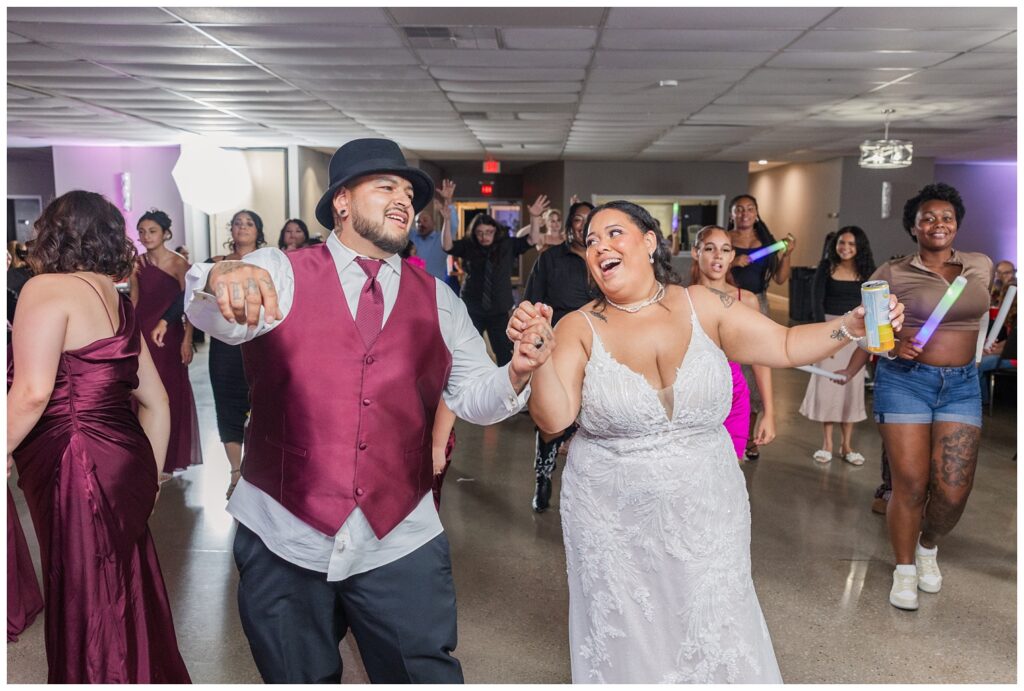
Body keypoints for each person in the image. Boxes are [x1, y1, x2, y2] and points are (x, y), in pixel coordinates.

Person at [184, 138, 550, 684]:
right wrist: (215, 277)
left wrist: (517, 369)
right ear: (342, 203)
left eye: (409, 193)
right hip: (284, 529)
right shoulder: (278, 269)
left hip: (400, 531)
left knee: (423, 674)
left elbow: (475, 393)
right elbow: (216, 312)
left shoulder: (439, 298)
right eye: (387, 187)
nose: (404, 200)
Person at [508, 200, 904, 683]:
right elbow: (554, 421)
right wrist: (538, 359)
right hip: (613, 521)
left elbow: (782, 345)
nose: (599, 246)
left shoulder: (702, 304)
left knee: (714, 625)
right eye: (591, 241)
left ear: (651, 241)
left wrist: (851, 328)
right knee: (635, 635)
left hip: (709, 511)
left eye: (614, 233)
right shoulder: (577, 327)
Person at [6, 190, 190, 682]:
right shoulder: (118, 299)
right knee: (123, 585)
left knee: (84, 590)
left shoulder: (44, 290)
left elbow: (30, 393)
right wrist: (148, 480)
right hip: (124, 456)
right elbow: (157, 402)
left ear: (53, 233)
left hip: (74, 459)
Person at [836, 183, 991, 612]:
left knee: (954, 491)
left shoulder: (979, 265)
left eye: (946, 217)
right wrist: (892, 345)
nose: (937, 224)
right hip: (905, 381)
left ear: (957, 223)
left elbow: (984, 317)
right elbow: (872, 330)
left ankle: (928, 544)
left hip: (961, 385)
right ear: (913, 226)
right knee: (910, 484)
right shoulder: (891, 272)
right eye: (927, 217)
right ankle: (905, 568)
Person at [521, 199, 596, 511]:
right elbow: (532, 303)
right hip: (560, 350)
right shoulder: (551, 259)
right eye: (578, 219)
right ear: (570, 224)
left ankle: (590, 490)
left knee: (595, 419)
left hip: (599, 350)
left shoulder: (605, 259)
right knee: (553, 421)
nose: (584, 224)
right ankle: (543, 477)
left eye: (590, 219)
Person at [689, 225, 776, 460]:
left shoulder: (745, 299)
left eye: (725, 250)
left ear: (731, 257)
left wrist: (769, 411)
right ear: (695, 252)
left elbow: (761, 358)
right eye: (710, 248)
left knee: (728, 473)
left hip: (733, 396)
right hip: (691, 396)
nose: (718, 255)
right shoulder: (681, 297)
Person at [130, 209, 202, 477]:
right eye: (142, 231)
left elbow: (190, 303)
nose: (146, 236)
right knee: (140, 392)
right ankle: (144, 456)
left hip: (168, 337)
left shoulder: (179, 263)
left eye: (152, 231)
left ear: (165, 233)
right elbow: (135, 300)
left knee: (168, 393)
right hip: (142, 332)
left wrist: (187, 339)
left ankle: (167, 459)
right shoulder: (137, 263)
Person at [799, 226, 876, 465]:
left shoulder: (868, 272)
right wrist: (821, 341)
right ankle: (827, 444)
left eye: (851, 244)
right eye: (842, 243)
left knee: (851, 390)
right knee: (828, 388)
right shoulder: (826, 267)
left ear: (859, 247)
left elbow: (872, 307)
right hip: (829, 331)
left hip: (857, 335)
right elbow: (816, 303)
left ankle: (847, 445)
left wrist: (869, 339)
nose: (845, 248)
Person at [727, 194, 794, 460]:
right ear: (732, 214)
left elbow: (780, 278)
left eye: (749, 209)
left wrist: (787, 255)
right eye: (739, 210)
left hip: (758, 306)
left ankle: (748, 436)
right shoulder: (725, 240)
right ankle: (728, 429)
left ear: (756, 213)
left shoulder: (766, 242)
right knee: (731, 370)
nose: (744, 214)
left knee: (755, 372)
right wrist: (733, 262)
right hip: (729, 304)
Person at [206, 209, 264, 499]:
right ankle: (235, 472)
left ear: (259, 231)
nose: (242, 227)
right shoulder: (214, 264)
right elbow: (194, 303)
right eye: (238, 223)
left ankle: (256, 469)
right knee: (226, 403)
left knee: (259, 402)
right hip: (224, 345)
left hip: (260, 342)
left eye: (249, 223)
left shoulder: (268, 264)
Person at [444, 212, 535, 366]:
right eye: (479, 233)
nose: (484, 236)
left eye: (488, 232)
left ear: (495, 231)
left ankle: (505, 387)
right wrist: (446, 217)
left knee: (504, 352)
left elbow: (532, 240)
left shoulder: (506, 245)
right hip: (472, 306)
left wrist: (535, 217)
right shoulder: (469, 245)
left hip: (499, 308)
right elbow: (447, 246)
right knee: (467, 350)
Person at [409, 179, 456, 284]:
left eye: (425, 220)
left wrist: (448, 200)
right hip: (412, 287)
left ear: (433, 223)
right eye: (418, 222)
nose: (421, 223)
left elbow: (452, 226)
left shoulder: (442, 239)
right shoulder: (411, 238)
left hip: (436, 288)